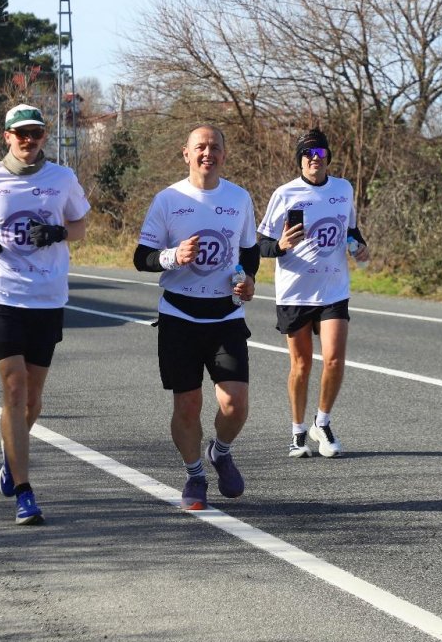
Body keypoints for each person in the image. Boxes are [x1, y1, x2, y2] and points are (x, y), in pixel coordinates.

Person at [0, 104, 90, 525]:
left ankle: (9, 453)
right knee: (14, 391)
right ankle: (25, 491)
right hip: (3, 296)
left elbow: (81, 224)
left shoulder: (62, 178)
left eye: (35, 133)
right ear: (7, 136)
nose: (28, 140)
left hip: (47, 297)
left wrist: (58, 232)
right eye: (21, 134)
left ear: (44, 136)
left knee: (32, 400)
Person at [133, 125, 259, 511]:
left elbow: (249, 252)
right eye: (200, 147)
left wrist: (249, 280)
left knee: (234, 403)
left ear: (224, 154)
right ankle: (194, 475)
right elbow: (142, 258)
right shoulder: (168, 200)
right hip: (179, 315)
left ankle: (220, 452)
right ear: (185, 154)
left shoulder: (239, 198)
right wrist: (173, 256)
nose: (208, 153)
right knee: (187, 404)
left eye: (215, 147)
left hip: (225, 315)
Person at [257, 128, 369, 458]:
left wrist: (359, 248)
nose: (314, 160)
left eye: (319, 155)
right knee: (301, 365)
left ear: (328, 158)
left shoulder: (343, 189)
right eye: (307, 156)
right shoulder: (285, 194)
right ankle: (297, 432)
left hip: (333, 288)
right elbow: (258, 244)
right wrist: (279, 245)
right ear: (300, 161)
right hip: (295, 292)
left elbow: (350, 230)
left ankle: (323, 421)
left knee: (334, 358)